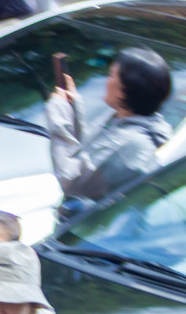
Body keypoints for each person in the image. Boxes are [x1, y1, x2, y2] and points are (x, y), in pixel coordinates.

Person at [48, 46, 172, 212]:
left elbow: (70, 181)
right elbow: (88, 156)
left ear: (123, 92)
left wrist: (58, 113)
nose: (105, 81)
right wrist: (73, 108)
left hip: (88, 225)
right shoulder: (122, 119)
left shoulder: (129, 143)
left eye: (111, 76)